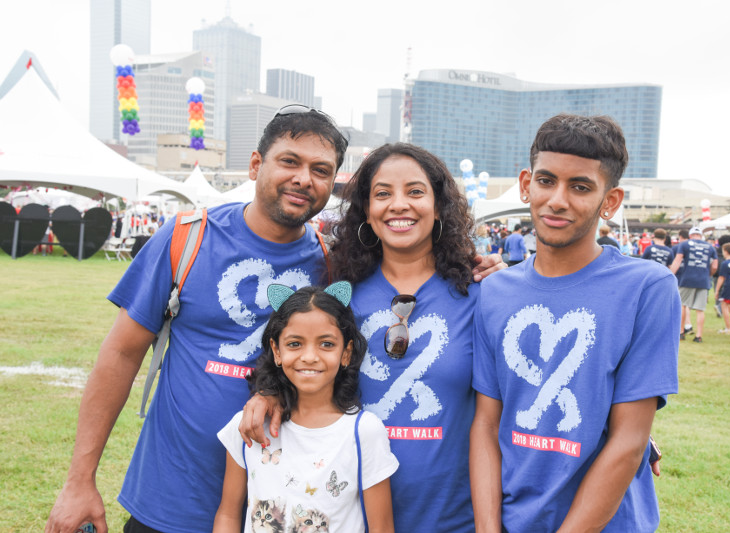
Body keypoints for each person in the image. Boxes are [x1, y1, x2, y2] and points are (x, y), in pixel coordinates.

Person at [46, 105, 350, 533]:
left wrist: (474, 264)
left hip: (282, 508)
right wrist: (79, 480)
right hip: (170, 501)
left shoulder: (332, 264)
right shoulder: (187, 236)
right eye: (289, 161)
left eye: (321, 169)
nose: (305, 178)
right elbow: (120, 354)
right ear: (255, 164)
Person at [242, 142, 487, 532]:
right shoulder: (337, 294)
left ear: (439, 207)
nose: (399, 204)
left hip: (452, 518)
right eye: (383, 194)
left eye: (416, 191)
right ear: (367, 213)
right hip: (346, 515)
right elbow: (297, 356)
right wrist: (270, 391)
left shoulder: (479, 294)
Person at [470, 114, 679, 532]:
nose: (558, 199)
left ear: (611, 200)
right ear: (527, 184)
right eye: (547, 181)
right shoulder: (495, 291)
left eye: (580, 187)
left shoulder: (647, 288)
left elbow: (629, 441)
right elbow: (486, 425)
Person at [214, 283, 398, 533]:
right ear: (276, 351)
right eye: (295, 344)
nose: (310, 356)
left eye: (326, 344)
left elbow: (382, 528)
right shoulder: (250, 426)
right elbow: (227, 515)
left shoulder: (363, 431)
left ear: (346, 353)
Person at [670, 227, 718, 343]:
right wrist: (709, 275)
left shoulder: (685, 244)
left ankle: (681, 332)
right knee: (700, 309)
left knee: (682, 305)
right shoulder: (710, 247)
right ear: (701, 236)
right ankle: (699, 335)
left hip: (687, 279)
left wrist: (670, 275)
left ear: (690, 235)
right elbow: (715, 266)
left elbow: (677, 260)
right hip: (703, 280)